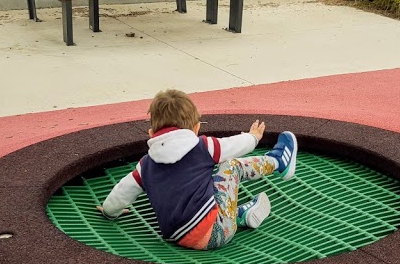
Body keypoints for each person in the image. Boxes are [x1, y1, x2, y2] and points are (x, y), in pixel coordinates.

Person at [97, 89, 298, 250]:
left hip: (181, 239)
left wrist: (109, 211)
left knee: (203, 187)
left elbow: (122, 192)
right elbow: (233, 146)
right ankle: (279, 162)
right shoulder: (202, 147)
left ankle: (241, 215)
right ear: (195, 128)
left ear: (151, 133)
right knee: (230, 166)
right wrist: (253, 137)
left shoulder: (145, 165)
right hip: (217, 232)